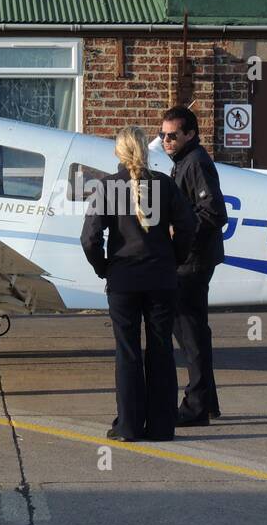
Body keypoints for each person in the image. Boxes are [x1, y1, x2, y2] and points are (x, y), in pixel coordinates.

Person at [82, 126, 196, 442]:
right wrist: (174, 258)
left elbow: (89, 238)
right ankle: (161, 427)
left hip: (123, 280)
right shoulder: (165, 185)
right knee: (160, 350)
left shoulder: (106, 187)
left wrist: (104, 268)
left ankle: (129, 426)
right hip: (161, 278)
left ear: (119, 153)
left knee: (128, 352)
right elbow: (188, 226)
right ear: (146, 150)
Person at [161, 106, 229, 426]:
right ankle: (208, 400)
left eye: (173, 135)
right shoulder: (183, 162)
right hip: (190, 260)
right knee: (193, 332)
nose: (166, 141)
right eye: (163, 135)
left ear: (190, 134)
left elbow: (214, 213)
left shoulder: (196, 162)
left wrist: (182, 236)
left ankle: (196, 406)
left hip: (193, 263)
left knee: (190, 334)